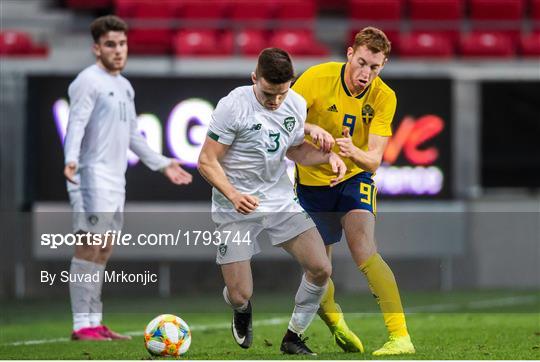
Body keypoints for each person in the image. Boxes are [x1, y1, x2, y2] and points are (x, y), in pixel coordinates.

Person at [197, 48, 347, 355]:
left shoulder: (295, 104)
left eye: (281, 93)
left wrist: (328, 157)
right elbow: (206, 160)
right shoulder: (233, 106)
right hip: (235, 206)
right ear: (255, 78)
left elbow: (294, 151)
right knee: (240, 294)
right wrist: (234, 195)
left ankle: (294, 336)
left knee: (321, 268)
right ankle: (240, 310)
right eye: (268, 93)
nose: (275, 101)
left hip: (279, 201)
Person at [63, 15, 193, 341]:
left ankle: (94, 321)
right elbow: (75, 124)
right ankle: (82, 324)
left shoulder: (124, 86)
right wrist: (71, 160)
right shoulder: (87, 82)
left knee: (103, 248)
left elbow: (134, 136)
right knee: (89, 245)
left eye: (122, 44)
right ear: (96, 48)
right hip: (89, 174)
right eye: (110, 44)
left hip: (114, 178)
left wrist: (162, 164)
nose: (118, 50)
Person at [291, 26, 416, 356]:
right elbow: (283, 120)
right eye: (361, 63)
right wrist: (311, 127)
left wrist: (350, 153)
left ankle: (400, 336)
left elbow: (374, 160)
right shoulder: (317, 78)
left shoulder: (383, 97)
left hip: (354, 179)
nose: (366, 74)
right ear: (349, 53)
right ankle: (336, 324)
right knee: (319, 268)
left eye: (374, 67)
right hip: (311, 183)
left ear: (383, 65)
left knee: (364, 247)